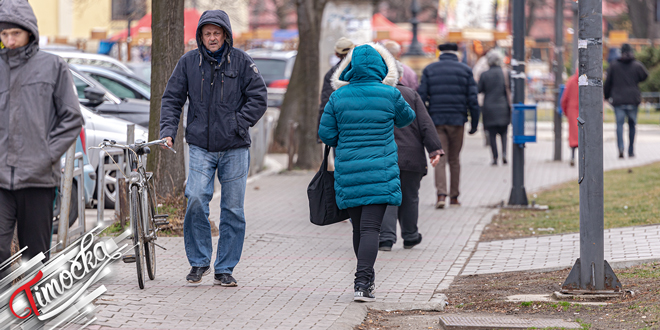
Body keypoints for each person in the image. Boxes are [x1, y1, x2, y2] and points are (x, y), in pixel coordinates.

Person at [159, 10, 267, 286]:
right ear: (200, 36)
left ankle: (225, 268)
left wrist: (238, 123)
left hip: (234, 147)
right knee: (195, 198)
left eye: (216, 33)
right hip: (200, 146)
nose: (211, 38)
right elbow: (172, 99)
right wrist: (168, 132)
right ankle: (198, 262)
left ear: (225, 35)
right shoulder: (188, 63)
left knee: (233, 209)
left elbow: (258, 97)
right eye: (207, 33)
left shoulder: (242, 62)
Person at [318, 43, 416, 302]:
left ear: (350, 67)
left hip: (349, 170)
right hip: (381, 170)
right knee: (372, 229)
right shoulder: (389, 94)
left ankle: (365, 280)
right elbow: (407, 118)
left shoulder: (338, 97)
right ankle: (362, 283)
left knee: (358, 229)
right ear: (381, 67)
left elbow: (325, 134)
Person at [0, 0, 83, 263]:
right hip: (0, 179)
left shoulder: (53, 66)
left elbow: (72, 118)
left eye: (15, 33)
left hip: (38, 179)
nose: (10, 41)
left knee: (34, 257)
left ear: (29, 32)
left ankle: (34, 304)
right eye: (4, 34)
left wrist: (45, 155)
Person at [378, 61, 443, 252]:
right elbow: (425, 124)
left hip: (385, 157)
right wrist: (434, 150)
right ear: (400, 76)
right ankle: (410, 236)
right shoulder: (411, 95)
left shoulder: (378, 95)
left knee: (387, 195)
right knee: (410, 196)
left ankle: (386, 239)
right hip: (411, 157)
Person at [417, 42, 480, 209]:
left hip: (436, 121)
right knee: (454, 159)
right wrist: (474, 122)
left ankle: (441, 195)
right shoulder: (465, 70)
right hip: (458, 121)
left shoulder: (430, 70)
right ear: (456, 53)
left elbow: (421, 97)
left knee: (440, 157)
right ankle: (454, 196)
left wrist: (423, 121)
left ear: (440, 53)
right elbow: (473, 100)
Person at [604, 43, 649, 158]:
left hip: (618, 100)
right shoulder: (637, 65)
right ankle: (631, 150)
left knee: (619, 125)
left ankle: (620, 147)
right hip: (633, 99)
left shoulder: (613, 66)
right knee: (632, 125)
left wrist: (606, 96)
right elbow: (645, 76)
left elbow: (607, 83)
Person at [318, 37, 355, 139]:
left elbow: (326, 102)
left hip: (341, 125)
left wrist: (321, 131)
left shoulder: (331, 75)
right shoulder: (367, 69)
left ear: (336, 54)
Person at [478, 50, 510, 166]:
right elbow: (510, 89)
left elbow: (479, 89)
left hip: (489, 108)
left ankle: (495, 157)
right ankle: (505, 154)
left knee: (491, 135)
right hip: (503, 107)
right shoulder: (506, 73)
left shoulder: (484, 74)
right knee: (504, 133)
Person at [561, 69, 579, 166]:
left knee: (573, 136)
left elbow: (564, 98)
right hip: (584, 111)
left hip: (572, 111)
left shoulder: (571, 81)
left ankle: (572, 156)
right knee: (584, 135)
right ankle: (584, 158)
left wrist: (565, 111)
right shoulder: (588, 81)